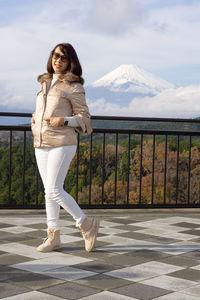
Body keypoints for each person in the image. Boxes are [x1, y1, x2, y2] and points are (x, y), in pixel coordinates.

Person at [31, 43, 99, 253]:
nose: (57, 60)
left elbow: (85, 118)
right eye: (55, 55)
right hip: (41, 142)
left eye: (63, 57)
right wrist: (34, 121)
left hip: (62, 142)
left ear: (71, 62)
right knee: (48, 192)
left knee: (54, 189)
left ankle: (85, 224)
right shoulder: (45, 83)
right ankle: (54, 236)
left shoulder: (74, 86)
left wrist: (65, 120)